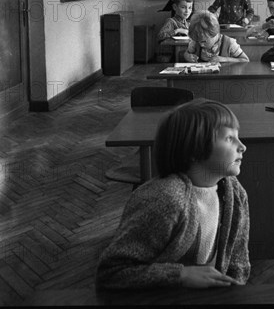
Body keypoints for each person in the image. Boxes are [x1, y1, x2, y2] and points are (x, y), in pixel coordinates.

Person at [96, 99, 250, 289]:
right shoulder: (165, 199)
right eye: (229, 138)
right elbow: (111, 273)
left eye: (238, 136)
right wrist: (179, 274)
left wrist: (236, 291)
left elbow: (238, 262)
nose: (242, 146)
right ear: (194, 149)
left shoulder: (234, 193)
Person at [184, 11, 249, 63]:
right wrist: (188, 56)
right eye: (198, 41)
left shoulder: (230, 43)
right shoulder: (196, 41)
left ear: (215, 34)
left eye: (204, 41)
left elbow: (245, 59)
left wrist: (225, 59)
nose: (201, 44)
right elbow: (186, 53)